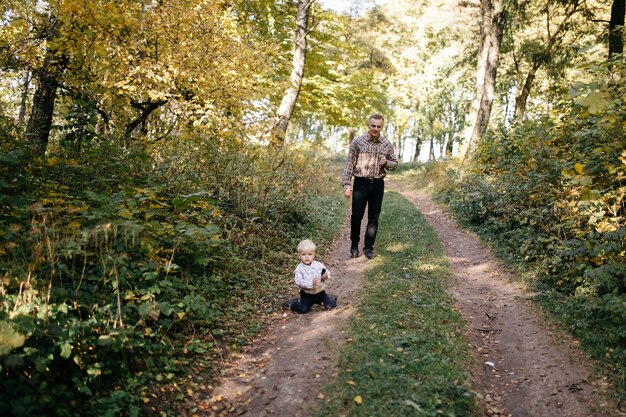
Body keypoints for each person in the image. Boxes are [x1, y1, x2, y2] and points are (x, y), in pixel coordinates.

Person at [341, 114, 398, 259]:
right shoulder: (358, 142)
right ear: (368, 125)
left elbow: (395, 164)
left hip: (377, 184)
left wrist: (386, 162)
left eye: (379, 126)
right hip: (360, 183)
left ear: (382, 127)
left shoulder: (386, 144)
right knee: (357, 216)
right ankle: (354, 246)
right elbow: (350, 163)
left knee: (374, 218)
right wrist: (346, 184)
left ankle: (368, 248)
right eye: (373, 126)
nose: (376, 129)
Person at [282, 239, 337, 314]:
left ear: (314, 255)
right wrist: (310, 283)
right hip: (307, 294)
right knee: (303, 309)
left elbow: (326, 272)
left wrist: (325, 275)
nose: (307, 257)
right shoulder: (299, 269)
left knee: (330, 305)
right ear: (299, 255)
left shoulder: (318, 265)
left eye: (309, 254)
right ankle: (293, 303)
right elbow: (298, 281)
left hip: (320, 292)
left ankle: (330, 298)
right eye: (304, 254)